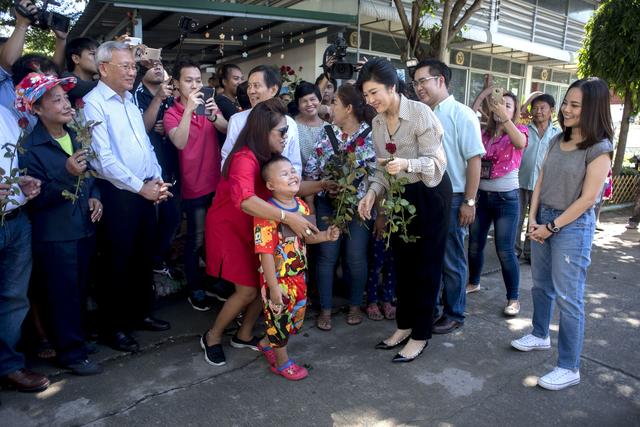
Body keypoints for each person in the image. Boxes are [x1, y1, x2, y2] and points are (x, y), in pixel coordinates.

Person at [511, 77, 613, 391]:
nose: (565, 109)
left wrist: (552, 227)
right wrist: (533, 217)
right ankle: (540, 334)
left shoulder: (599, 148)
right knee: (541, 286)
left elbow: (586, 199)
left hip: (572, 226)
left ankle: (569, 366)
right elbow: (540, 178)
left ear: (592, 109)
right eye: (566, 102)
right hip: (545, 218)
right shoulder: (557, 140)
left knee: (569, 299)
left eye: (574, 105)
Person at [201, 99, 318, 366]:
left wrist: (322, 184)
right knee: (248, 291)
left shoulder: (269, 158)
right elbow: (245, 201)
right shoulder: (244, 158)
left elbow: (287, 188)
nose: (286, 137)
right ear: (263, 131)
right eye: (281, 132)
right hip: (231, 230)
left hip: (257, 228)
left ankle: (243, 335)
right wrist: (289, 217)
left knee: (262, 284)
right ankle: (212, 336)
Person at [357, 58, 451, 363]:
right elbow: (383, 169)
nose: (370, 101)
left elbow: (437, 163)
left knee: (426, 267)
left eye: (374, 93)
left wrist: (407, 164)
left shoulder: (421, 114)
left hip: (429, 192)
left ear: (393, 87)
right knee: (403, 264)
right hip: (399, 196)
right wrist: (372, 194)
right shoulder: (377, 122)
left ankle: (421, 334)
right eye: (366, 96)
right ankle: (404, 325)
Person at [84, 41, 172, 353]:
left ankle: (140, 314)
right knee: (116, 263)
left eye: (134, 66)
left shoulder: (129, 101)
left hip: (146, 189)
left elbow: (145, 145)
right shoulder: (93, 103)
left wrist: (158, 177)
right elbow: (102, 160)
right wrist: (140, 186)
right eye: (126, 66)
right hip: (119, 194)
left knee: (142, 257)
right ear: (104, 68)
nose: (132, 71)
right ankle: (113, 327)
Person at [16, 73, 102, 375]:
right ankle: (70, 354)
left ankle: (76, 341)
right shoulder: (29, 148)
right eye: (56, 99)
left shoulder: (76, 135)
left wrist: (95, 197)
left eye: (65, 97)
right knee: (62, 294)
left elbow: (89, 176)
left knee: (78, 290)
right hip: (54, 235)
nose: (66, 104)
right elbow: (36, 200)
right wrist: (66, 173)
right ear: (36, 109)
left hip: (82, 227)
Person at [412, 59, 485, 334]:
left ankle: (455, 313)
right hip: (426, 194)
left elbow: (474, 160)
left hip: (453, 197)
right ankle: (434, 309)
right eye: (415, 83)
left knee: (452, 258)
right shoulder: (421, 115)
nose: (418, 87)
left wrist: (469, 201)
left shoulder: (461, 114)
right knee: (430, 256)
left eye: (423, 81)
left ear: (440, 80)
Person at [254, 155, 340, 380]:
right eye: (284, 173)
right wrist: (273, 287)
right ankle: (282, 362)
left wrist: (325, 236)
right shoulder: (266, 213)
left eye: (293, 171)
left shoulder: (301, 206)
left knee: (294, 319)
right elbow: (264, 253)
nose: (292, 175)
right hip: (277, 281)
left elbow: (308, 237)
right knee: (280, 320)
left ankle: (266, 343)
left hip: (298, 276)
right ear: (270, 185)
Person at [303, 84, 377, 330]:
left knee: (355, 257)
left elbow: (378, 175)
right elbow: (312, 168)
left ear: (348, 108)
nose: (330, 107)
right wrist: (315, 200)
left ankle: (355, 304)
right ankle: (325, 308)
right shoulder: (327, 134)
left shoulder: (371, 135)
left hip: (359, 208)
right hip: (328, 204)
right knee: (327, 256)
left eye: (335, 103)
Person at [164, 58, 227, 311]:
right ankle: (195, 288)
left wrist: (212, 115)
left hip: (216, 183)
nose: (194, 85)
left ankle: (214, 282)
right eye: (188, 80)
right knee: (197, 238)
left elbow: (225, 127)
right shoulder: (171, 113)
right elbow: (179, 142)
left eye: (198, 80)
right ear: (177, 84)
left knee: (216, 237)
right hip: (192, 186)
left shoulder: (209, 105)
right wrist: (189, 110)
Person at [466, 91, 528, 317]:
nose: (502, 108)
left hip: (506, 200)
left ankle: (513, 298)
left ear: (515, 110)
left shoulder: (519, 130)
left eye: (508, 105)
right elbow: (470, 118)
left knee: (504, 250)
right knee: (474, 243)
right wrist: (484, 94)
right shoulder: (484, 133)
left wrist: (506, 119)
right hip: (482, 197)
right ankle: (473, 282)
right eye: (499, 105)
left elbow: (520, 143)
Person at [0, 104, 48, 392]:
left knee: (14, 298)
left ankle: (9, 366)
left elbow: (10, 165)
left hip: (16, 220)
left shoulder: (5, 113)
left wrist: (21, 182)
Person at [133, 59, 181, 279]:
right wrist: (157, 100)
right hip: (149, 172)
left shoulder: (172, 96)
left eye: (161, 64)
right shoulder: (136, 94)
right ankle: (150, 261)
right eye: (151, 65)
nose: (158, 67)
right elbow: (143, 128)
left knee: (172, 218)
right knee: (154, 219)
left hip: (172, 164)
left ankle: (158, 256)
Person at [220, 65, 302, 175]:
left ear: (273, 90)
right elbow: (227, 157)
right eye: (249, 86)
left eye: (256, 86)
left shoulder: (289, 123)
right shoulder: (237, 121)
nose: (251, 91)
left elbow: (295, 163)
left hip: (280, 188)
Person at [517, 94, 561, 262]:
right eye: (534, 108)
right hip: (521, 182)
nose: (538, 111)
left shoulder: (558, 134)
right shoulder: (523, 130)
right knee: (517, 219)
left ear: (552, 111)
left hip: (543, 187)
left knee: (536, 220)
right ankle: (514, 251)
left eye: (542, 108)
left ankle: (530, 253)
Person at [292, 81, 328, 168]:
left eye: (312, 99)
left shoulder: (328, 128)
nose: (309, 104)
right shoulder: (292, 126)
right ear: (298, 105)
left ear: (319, 100)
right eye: (304, 101)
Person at [62, 37, 99, 106]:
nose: (99, 58)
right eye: (93, 54)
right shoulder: (66, 78)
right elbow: (80, 89)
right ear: (76, 59)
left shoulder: (98, 83)